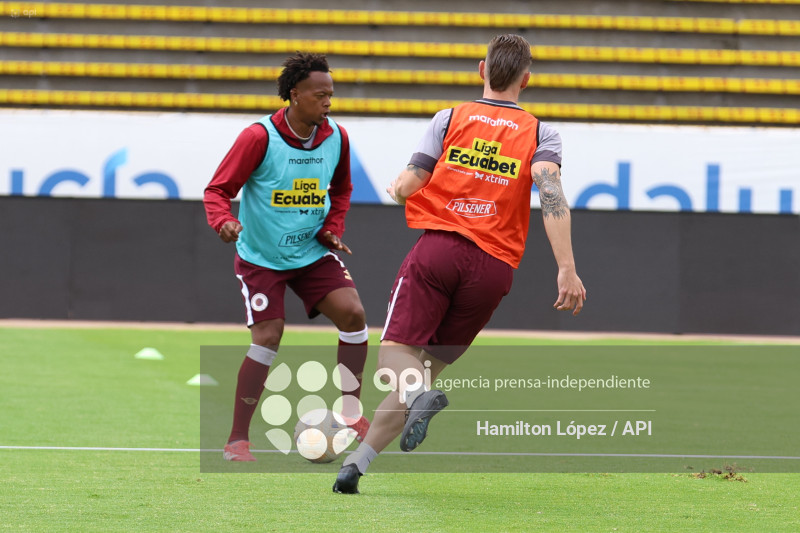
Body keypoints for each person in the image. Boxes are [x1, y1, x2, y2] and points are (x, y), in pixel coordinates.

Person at [333, 34, 586, 493]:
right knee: (423, 371)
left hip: (440, 252)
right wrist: (566, 267)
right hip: (493, 270)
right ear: (526, 80)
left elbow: (412, 181)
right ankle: (356, 464)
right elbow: (551, 195)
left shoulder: (449, 118)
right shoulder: (542, 133)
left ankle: (416, 401)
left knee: (395, 357)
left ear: (480, 71)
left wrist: (398, 188)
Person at [204, 52, 370, 462]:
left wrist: (333, 227)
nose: (328, 102)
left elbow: (342, 190)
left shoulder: (338, 138)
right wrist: (223, 221)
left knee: (354, 314)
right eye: (320, 95)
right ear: (295, 95)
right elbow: (217, 191)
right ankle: (237, 440)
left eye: (331, 94)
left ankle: (351, 415)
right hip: (262, 257)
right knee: (269, 335)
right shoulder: (259, 137)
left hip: (311, 251)